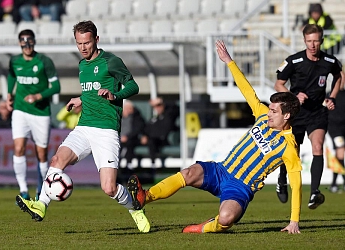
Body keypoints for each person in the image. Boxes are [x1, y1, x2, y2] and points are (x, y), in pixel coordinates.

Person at [127, 40, 303, 234]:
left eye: (274, 112)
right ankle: (145, 197)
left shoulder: (288, 146)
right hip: (221, 170)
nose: (269, 113)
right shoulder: (262, 115)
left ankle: (205, 227)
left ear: (286, 116)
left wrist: (294, 221)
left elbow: (296, 185)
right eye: (269, 109)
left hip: (240, 188)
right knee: (189, 173)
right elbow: (247, 90)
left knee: (226, 219)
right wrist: (229, 62)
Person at [15, 20, 150, 233]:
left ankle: (134, 208)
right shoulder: (82, 65)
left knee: (109, 188)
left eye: (86, 43)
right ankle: (41, 205)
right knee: (57, 160)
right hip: (84, 126)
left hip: (106, 130)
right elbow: (91, 91)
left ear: (96, 39)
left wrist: (115, 95)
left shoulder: (111, 62)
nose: (83, 48)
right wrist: (81, 99)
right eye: (79, 43)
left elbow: (133, 85)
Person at [274, 24, 342, 208]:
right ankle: (281, 181)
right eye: (309, 41)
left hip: (317, 113)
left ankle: (314, 192)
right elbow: (279, 84)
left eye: (316, 41)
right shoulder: (294, 61)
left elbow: (338, 77)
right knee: (291, 152)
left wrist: (332, 97)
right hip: (296, 114)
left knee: (318, 146)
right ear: (304, 41)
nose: (312, 45)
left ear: (321, 41)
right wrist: (293, 97)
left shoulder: (329, 60)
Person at [6, 29, 61, 201]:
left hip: (41, 112)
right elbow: (11, 76)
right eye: (24, 42)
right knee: (18, 148)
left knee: (42, 154)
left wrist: (38, 96)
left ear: (34, 42)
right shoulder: (14, 61)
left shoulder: (44, 61)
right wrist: (9, 94)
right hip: (20, 110)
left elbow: (56, 87)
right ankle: (23, 190)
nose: (27, 46)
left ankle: (41, 190)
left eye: (30, 42)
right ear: (19, 43)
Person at [140, 97, 179, 168]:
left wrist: (161, 100)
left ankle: (153, 164)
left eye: (159, 106)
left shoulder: (169, 115)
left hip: (163, 140)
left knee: (152, 141)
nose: (157, 108)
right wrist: (144, 135)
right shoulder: (154, 119)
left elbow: (175, 107)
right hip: (152, 140)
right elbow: (146, 129)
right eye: (155, 107)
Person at [119, 100, 145, 179]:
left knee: (129, 144)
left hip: (131, 139)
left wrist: (127, 136)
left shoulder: (135, 117)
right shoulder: (118, 117)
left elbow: (137, 129)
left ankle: (128, 166)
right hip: (118, 139)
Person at [327, 77, 345, 193]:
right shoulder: (329, 96)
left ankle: (334, 184)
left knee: (340, 155)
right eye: (341, 79)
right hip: (336, 129)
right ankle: (337, 183)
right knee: (340, 151)